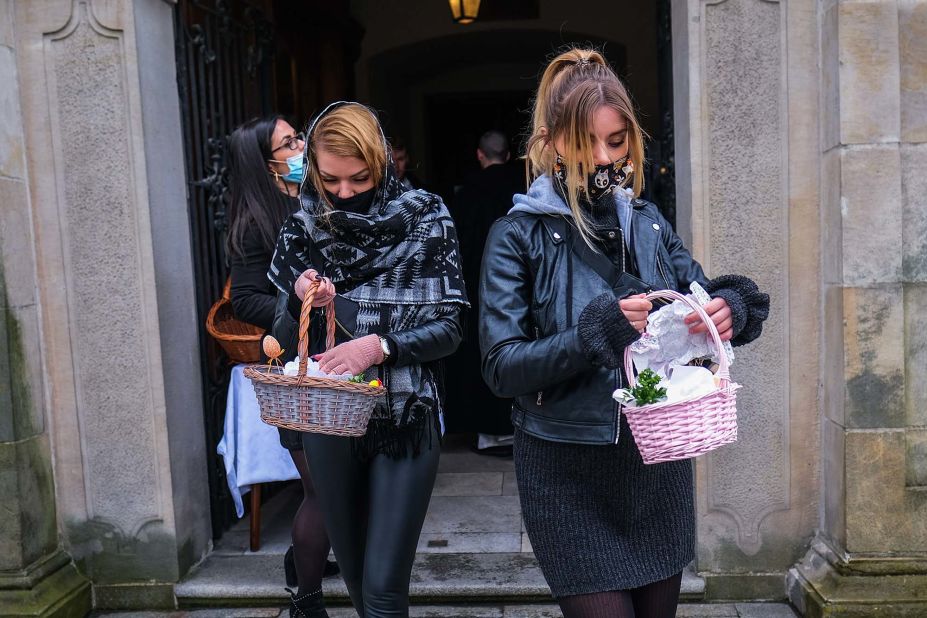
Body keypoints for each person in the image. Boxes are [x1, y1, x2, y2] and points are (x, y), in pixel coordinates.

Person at [479, 49, 770, 618]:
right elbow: (501, 366)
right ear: (553, 141)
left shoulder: (650, 221)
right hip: (566, 469)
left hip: (655, 468)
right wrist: (598, 332)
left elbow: (701, 297)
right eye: (588, 141)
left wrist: (730, 308)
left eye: (617, 141)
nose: (605, 157)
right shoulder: (517, 235)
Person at [268, 101, 468, 618]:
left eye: (360, 178)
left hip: (405, 416)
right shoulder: (302, 227)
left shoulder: (426, 216)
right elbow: (288, 340)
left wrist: (376, 344)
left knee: (382, 590)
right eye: (331, 180)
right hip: (331, 421)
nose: (345, 193)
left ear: (383, 163)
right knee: (357, 582)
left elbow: (450, 329)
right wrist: (301, 296)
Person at [225, 116, 337, 617]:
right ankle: (306, 598)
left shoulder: (321, 198)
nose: (301, 146)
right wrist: (293, 302)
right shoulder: (254, 223)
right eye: (288, 142)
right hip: (298, 363)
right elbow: (244, 299)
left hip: (341, 352)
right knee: (321, 486)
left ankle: (306, 559)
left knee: (339, 483)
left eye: (298, 137)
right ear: (266, 164)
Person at [445, 130, 524, 455]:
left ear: (480, 155)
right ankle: (514, 422)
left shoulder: (466, 194)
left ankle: (486, 429)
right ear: (507, 156)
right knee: (517, 345)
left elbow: (456, 246)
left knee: (482, 351)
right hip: (517, 285)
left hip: (475, 286)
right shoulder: (523, 190)